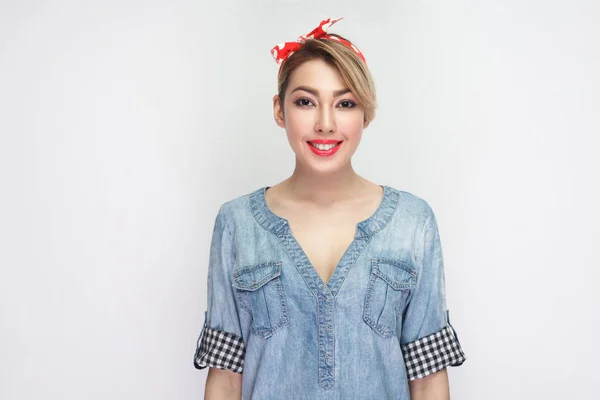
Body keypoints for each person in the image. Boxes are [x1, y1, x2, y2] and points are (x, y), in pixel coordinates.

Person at [193, 17, 466, 400]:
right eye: (306, 101)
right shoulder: (236, 223)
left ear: (365, 114)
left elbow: (427, 379)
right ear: (279, 110)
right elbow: (225, 379)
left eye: (345, 103)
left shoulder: (412, 222)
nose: (325, 123)